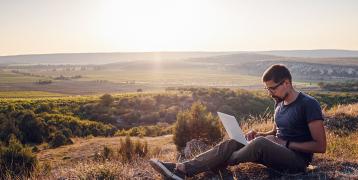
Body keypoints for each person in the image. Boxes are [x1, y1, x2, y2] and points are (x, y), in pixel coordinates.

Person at [149, 64, 326, 180]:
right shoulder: (279, 103)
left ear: (286, 83)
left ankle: (211, 166)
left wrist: (284, 143)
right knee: (235, 141)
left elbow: (320, 146)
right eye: (267, 89)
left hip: (297, 161)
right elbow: (275, 133)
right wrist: (259, 134)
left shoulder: (308, 104)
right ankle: (181, 169)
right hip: (276, 151)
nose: (270, 93)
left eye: (272, 88)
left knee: (255, 145)